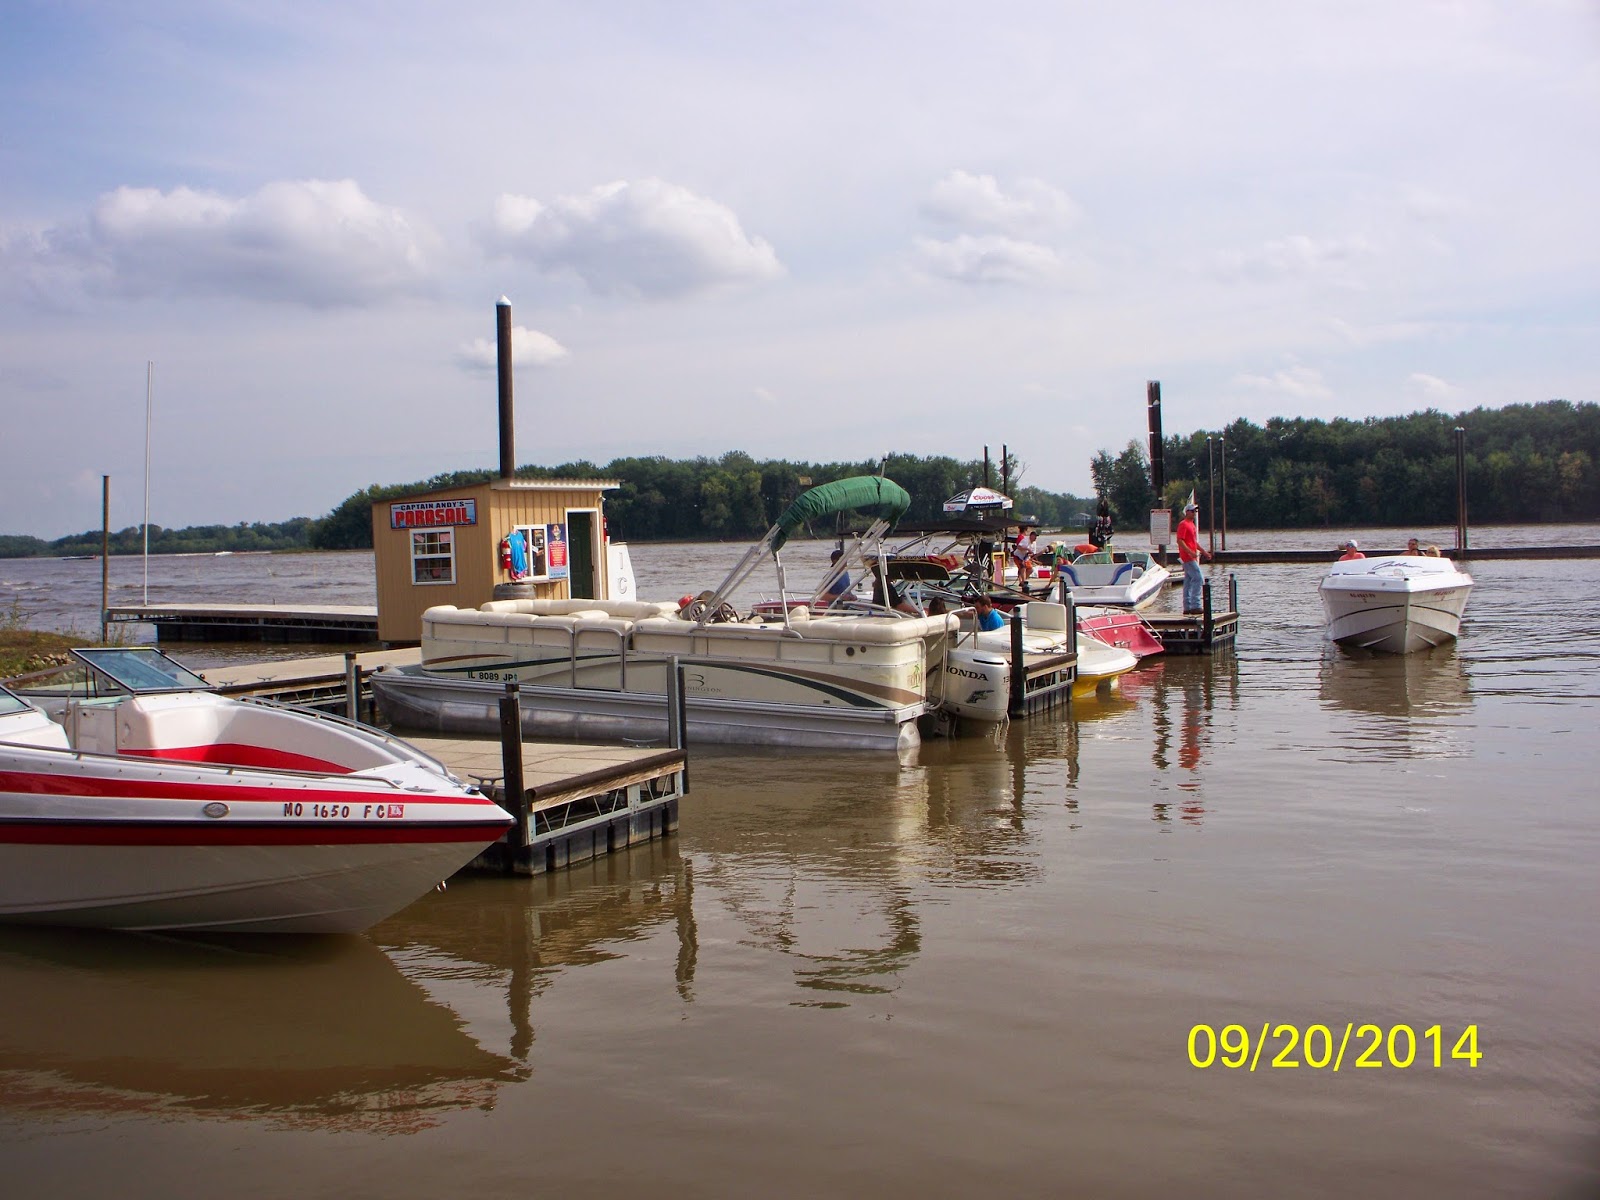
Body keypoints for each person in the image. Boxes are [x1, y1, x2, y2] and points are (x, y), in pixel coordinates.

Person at [1175, 502, 1210, 613]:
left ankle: (1187, 607)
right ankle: (1195, 605)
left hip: (1192, 556)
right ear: (1187, 512)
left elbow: (1194, 542)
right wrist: (1190, 552)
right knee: (1199, 578)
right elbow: (1180, 540)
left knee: (1189, 580)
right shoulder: (1183, 524)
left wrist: (1204, 552)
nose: (1195, 513)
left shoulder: (1192, 525)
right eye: (1193, 511)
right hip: (1187, 557)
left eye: (1196, 511)